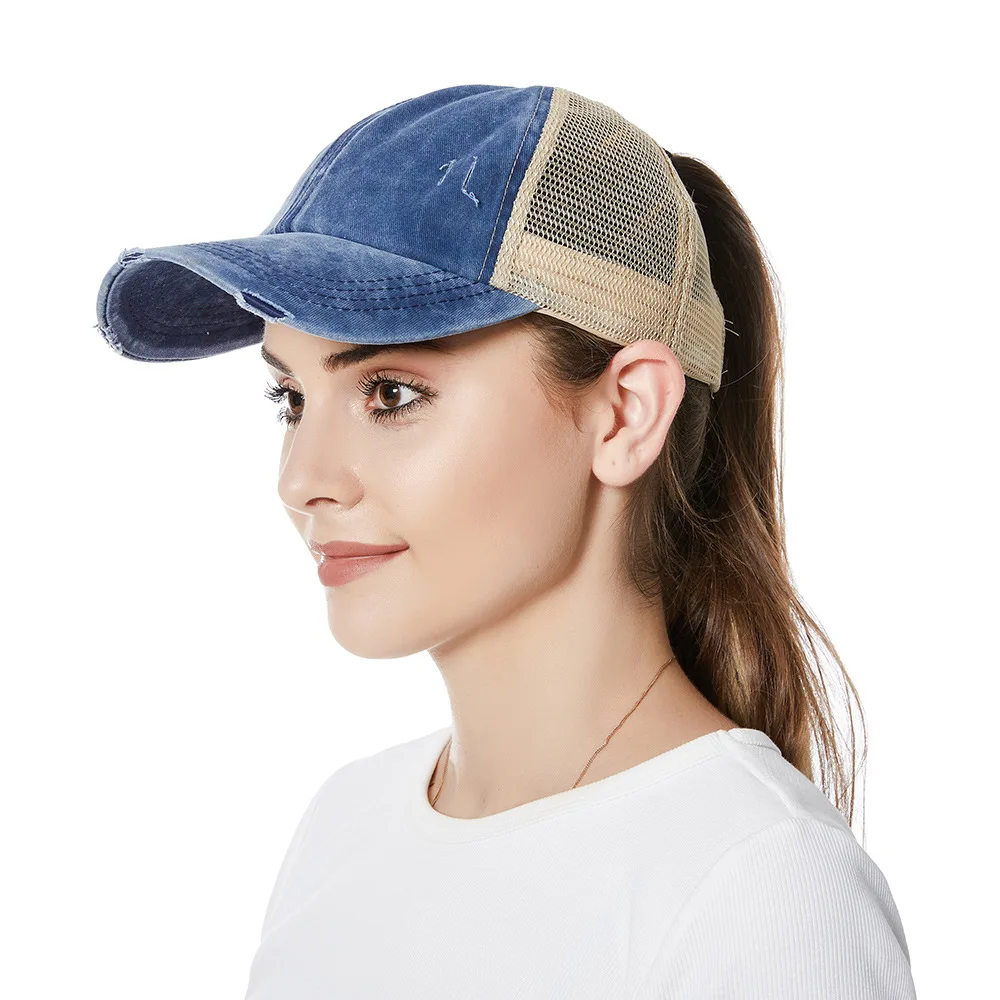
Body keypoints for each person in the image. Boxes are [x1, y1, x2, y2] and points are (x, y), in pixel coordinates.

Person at [94, 84, 917, 998]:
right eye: (289, 399)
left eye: (390, 394)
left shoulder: (760, 885)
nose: (301, 480)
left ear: (626, 414)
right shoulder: (344, 826)